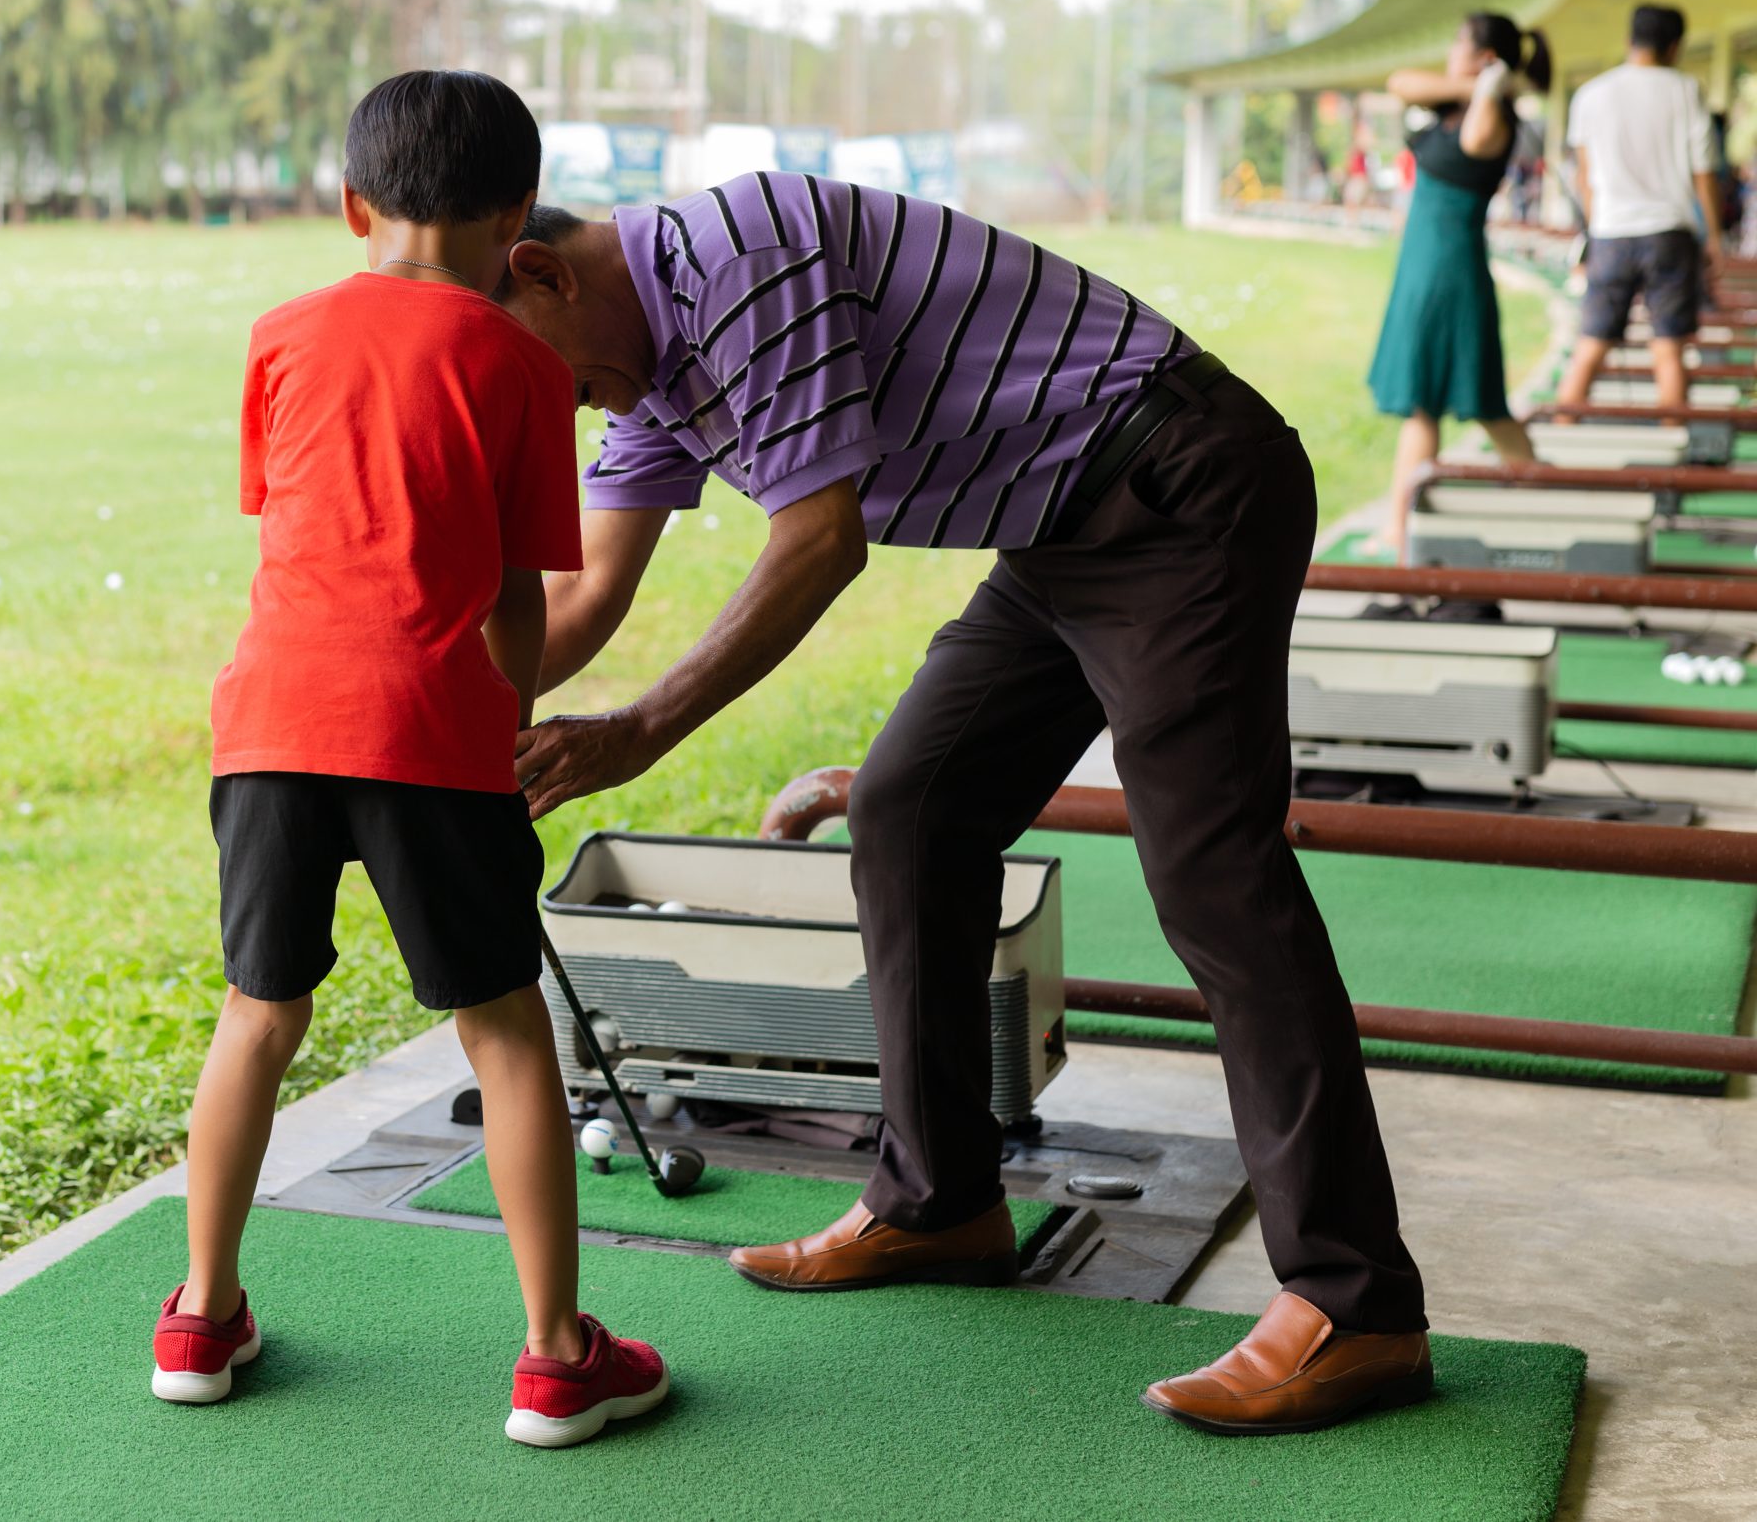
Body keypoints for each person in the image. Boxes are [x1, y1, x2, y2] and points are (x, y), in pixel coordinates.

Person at [494, 172, 1430, 1435]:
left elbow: (819, 539)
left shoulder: (734, 254)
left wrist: (645, 726)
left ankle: (1356, 1304)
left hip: (1177, 485)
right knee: (909, 811)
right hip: (1058, 534)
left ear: (546, 274)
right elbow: (584, 597)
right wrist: (422, 698)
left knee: (1216, 879)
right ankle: (941, 1203)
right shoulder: (648, 367)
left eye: (551, 384)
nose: (564, 415)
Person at [158, 70, 670, 1448]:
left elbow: (291, 524)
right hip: (430, 733)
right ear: (519, 225)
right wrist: (501, 723)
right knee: (504, 1030)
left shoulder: (278, 336)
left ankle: (201, 1314)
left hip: (267, 725)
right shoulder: (520, 362)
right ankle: (558, 1355)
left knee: (256, 1012)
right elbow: (514, 595)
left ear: (350, 204)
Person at [1364, 13, 1550, 556]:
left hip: (1447, 269)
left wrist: (1490, 87)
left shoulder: (1491, 116)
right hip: (1427, 265)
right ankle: (1548, 494)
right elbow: (1400, 82)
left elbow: (1475, 139)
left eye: (1459, 46)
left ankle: (1400, 531)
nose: (1449, 53)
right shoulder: (1457, 99)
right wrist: (1479, 80)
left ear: (1485, 57)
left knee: (1439, 403)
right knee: (1482, 406)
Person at [1554, 4, 1727, 411]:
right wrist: (1715, 237)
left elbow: (1584, 177)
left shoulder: (1591, 94)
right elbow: (1703, 174)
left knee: (1591, 345)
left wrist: (1596, 231)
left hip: (1611, 232)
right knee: (1668, 348)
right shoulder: (1685, 90)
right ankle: (1676, 452)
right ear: (1675, 45)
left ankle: (1555, 443)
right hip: (1671, 232)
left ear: (1629, 39)